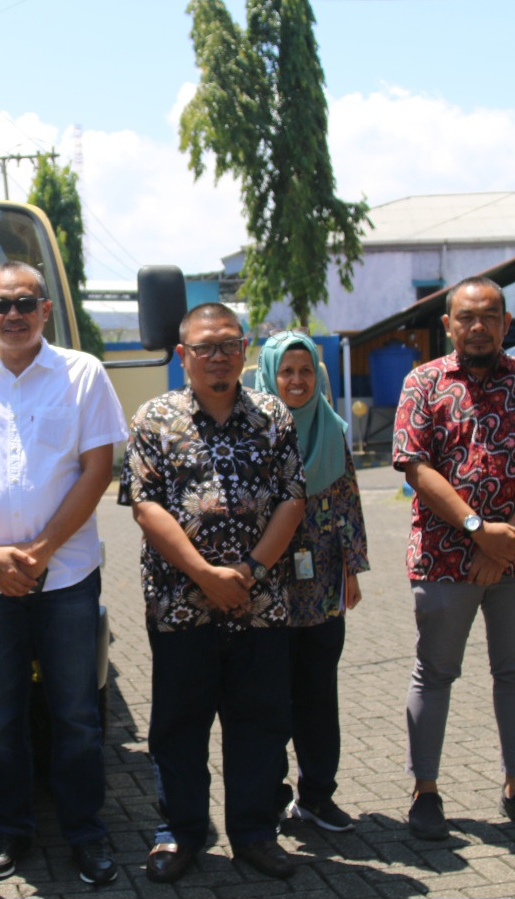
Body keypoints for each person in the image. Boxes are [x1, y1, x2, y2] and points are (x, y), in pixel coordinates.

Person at [0, 260, 128, 886]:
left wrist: (38, 551)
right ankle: (11, 833)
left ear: (45, 310)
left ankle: (86, 835)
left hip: (65, 577)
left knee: (76, 716)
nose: (14, 315)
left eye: (25, 303)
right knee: (0, 719)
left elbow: (98, 469)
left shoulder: (83, 373)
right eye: (1, 305)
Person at [120, 302, 307, 884]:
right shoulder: (154, 418)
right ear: (183, 356)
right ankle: (181, 834)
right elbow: (145, 506)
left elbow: (293, 499)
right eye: (205, 347)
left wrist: (248, 571)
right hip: (181, 607)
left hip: (261, 603)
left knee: (259, 724)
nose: (218, 355)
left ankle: (254, 833)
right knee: (179, 728)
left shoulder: (273, 414)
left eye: (229, 344)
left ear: (245, 349)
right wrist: (204, 573)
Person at [391, 276, 515, 841]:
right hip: (445, 561)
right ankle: (425, 792)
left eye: (489, 316)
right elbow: (416, 467)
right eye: (466, 317)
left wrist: (507, 540)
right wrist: (478, 530)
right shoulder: (423, 383)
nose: (477, 326)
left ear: (506, 323)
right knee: (435, 673)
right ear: (447, 324)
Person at [254, 330, 369, 834]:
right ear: (268, 376)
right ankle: (271, 797)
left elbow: (348, 501)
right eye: (286, 372)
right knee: (268, 695)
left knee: (318, 692)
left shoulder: (331, 428)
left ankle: (318, 795)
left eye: (305, 371)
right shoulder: (252, 431)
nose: (296, 381)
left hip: (322, 580)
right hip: (267, 582)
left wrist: (352, 569)